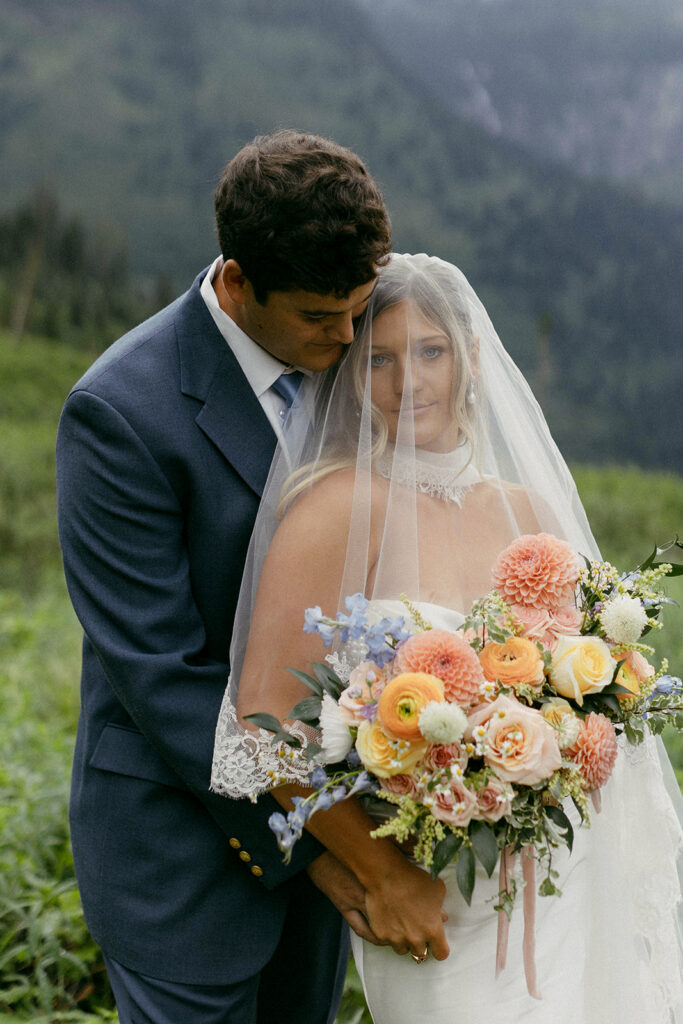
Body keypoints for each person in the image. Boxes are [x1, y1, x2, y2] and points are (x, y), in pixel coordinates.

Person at [212, 253, 683, 1022]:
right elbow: (255, 731)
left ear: (467, 355)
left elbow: (601, 691)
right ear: (350, 372)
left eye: (430, 352)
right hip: (434, 891)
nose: (409, 383)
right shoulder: (331, 508)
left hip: (571, 877)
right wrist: (378, 870)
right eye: (380, 359)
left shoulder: (526, 510)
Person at [54, 129, 424, 1024]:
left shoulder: (353, 354)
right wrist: (335, 847)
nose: (345, 337)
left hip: (328, 837)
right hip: (179, 859)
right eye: (314, 317)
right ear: (236, 278)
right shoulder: (120, 415)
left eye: (357, 307)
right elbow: (165, 679)